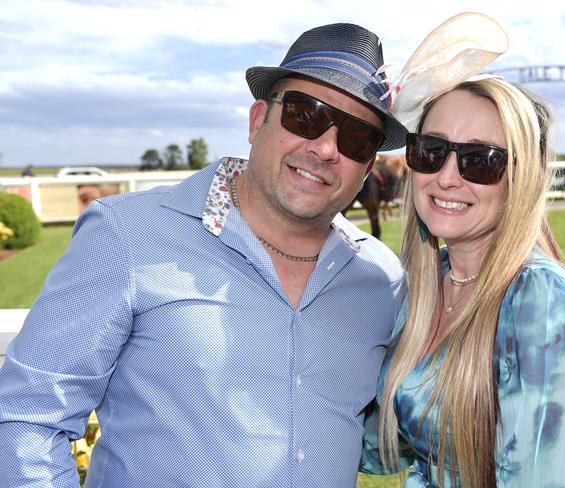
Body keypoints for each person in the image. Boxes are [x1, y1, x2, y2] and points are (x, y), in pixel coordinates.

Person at [0, 23, 408, 487]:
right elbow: (28, 418)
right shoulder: (128, 235)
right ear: (258, 121)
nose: (326, 148)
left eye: (357, 139)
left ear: (368, 167)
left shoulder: (380, 278)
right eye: (305, 116)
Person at [359, 76, 565, 487]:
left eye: (481, 160)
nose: (447, 178)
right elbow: (382, 447)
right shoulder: (428, 285)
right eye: (431, 151)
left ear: (520, 178)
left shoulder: (537, 300)